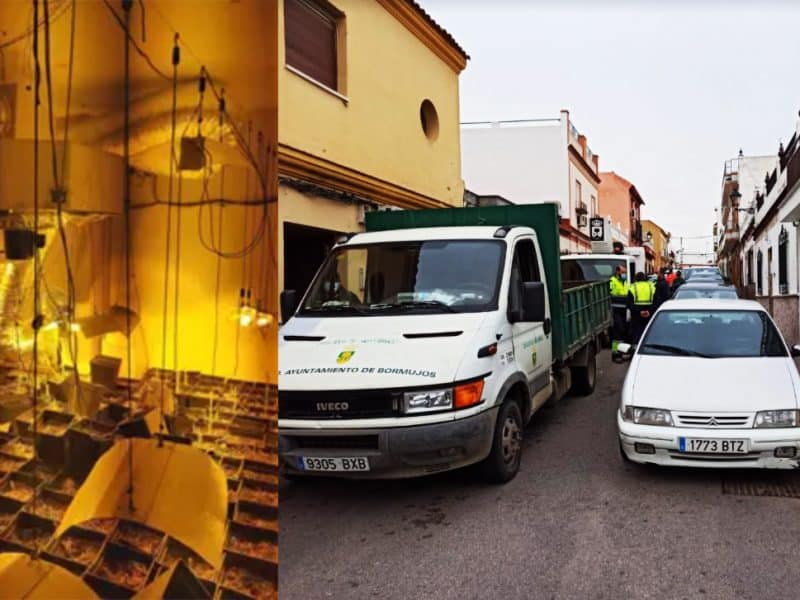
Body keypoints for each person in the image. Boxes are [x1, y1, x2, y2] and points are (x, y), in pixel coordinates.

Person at [628, 271, 655, 343]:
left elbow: (629, 304)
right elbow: (657, 301)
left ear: (636, 279)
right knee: (648, 334)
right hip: (649, 315)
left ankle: (636, 350)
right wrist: (650, 311)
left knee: (637, 335)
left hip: (636, 316)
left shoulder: (632, 287)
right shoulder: (651, 286)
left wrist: (639, 312)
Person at [609, 265, 629, 352]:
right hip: (616, 309)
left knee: (623, 331)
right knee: (618, 331)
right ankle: (615, 352)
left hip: (623, 309)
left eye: (625, 273)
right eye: (623, 272)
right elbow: (612, 295)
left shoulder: (625, 282)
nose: (624, 274)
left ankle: (620, 351)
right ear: (617, 272)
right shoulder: (612, 281)